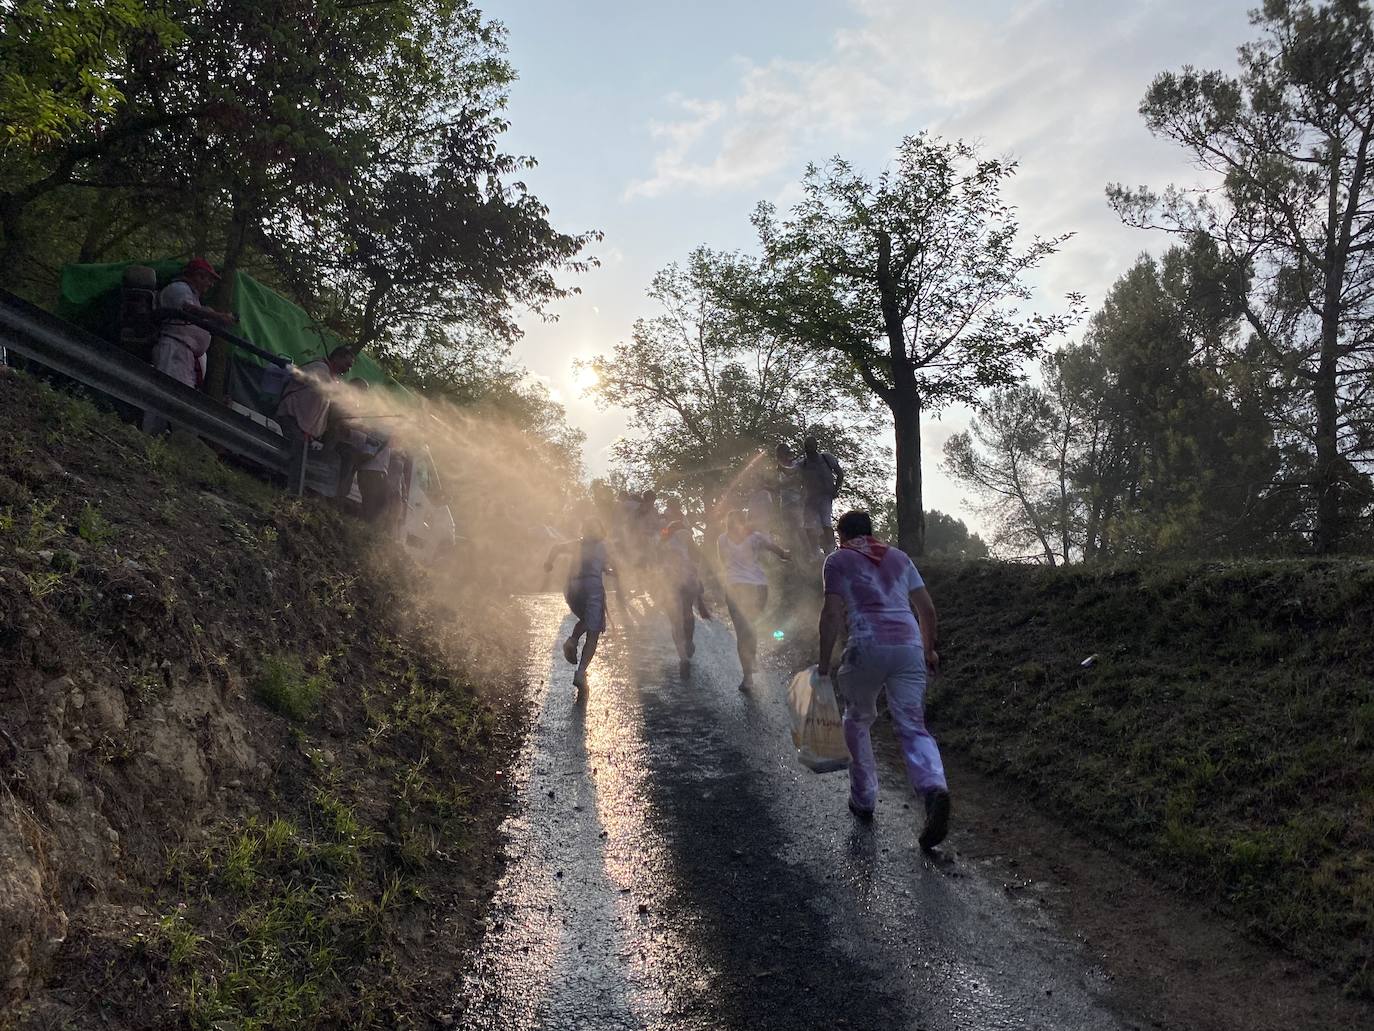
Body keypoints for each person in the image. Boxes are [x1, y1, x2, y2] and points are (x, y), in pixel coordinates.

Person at [817, 509, 950, 850]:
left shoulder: (838, 560)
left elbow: (831, 613)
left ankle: (863, 799)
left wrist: (823, 664)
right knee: (913, 725)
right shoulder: (900, 558)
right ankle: (934, 786)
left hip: (866, 647)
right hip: (908, 649)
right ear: (871, 531)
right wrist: (928, 650)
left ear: (842, 535)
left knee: (857, 719)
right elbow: (927, 610)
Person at [142, 257, 238, 433]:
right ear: (198, 276)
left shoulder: (194, 297)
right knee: (164, 395)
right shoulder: (179, 289)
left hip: (184, 355)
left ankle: (168, 438)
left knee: (181, 399)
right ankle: (150, 435)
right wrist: (217, 316)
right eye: (208, 279)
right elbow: (186, 308)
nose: (209, 284)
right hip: (173, 349)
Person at [717, 509, 791, 691]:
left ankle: (748, 676)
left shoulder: (722, 539)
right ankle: (751, 661)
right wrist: (787, 555)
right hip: (758, 587)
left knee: (742, 631)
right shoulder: (755, 537)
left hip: (735, 587)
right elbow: (779, 551)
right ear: (744, 522)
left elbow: (723, 562)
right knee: (750, 626)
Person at [544, 519, 616, 691]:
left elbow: (555, 548)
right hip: (592, 588)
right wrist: (612, 571)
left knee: (586, 619)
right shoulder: (603, 546)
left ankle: (572, 641)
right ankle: (580, 671)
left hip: (571, 588)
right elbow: (607, 565)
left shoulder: (576, 544)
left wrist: (549, 563)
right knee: (594, 630)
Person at [275, 345, 355, 493]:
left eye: (350, 367)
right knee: (298, 452)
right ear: (336, 358)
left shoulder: (332, 378)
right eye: (346, 364)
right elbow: (310, 380)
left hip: (302, 425)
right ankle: (293, 493)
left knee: (299, 454)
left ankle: (292, 491)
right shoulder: (319, 368)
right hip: (292, 416)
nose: (347, 369)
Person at [659, 499, 710, 675]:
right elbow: (697, 558)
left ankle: (683, 655)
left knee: (676, 619)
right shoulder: (683, 536)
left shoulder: (665, 540)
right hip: (682, 580)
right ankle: (687, 644)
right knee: (687, 614)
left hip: (671, 582)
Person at [797, 435, 845, 554]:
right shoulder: (803, 463)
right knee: (808, 525)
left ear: (816, 446)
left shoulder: (827, 458)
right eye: (807, 447)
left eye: (811, 446)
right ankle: (815, 552)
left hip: (825, 496)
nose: (809, 450)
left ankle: (830, 549)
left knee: (825, 522)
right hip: (810, 498)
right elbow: (792, 472)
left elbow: (840, 473)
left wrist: (835, 489)